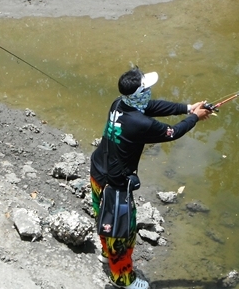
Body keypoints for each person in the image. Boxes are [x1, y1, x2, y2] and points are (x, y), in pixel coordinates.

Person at [90, 67, 212, 289]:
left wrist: (187, 108)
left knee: (104, 219)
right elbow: (173, 132)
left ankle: (106, 255)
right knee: (122, 234)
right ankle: (122, 279)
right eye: (146, 89)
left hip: (98, 171)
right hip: (116, 185)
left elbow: (152, 107)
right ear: (137, 94)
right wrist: (194, 118)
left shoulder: (119, 103)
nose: (149, 93)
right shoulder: (141, 124)